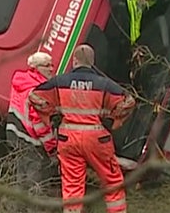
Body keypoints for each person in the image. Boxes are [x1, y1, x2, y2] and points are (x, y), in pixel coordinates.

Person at [29, 44, 136, 213]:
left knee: (72, 187)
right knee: (112, 182)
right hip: (97, 138)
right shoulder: (104, 84)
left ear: (74, 61)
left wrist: (51, 112)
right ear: (92, 62)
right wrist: (114, 117)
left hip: (68, 138)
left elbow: (33, 96)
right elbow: (129, 102)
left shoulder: (59, 81)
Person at [7, 52, 59, 186]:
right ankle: (30, 207)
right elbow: (40, 124)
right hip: (30, 139)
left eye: (52, 65)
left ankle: (15, 206)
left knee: (20, 177)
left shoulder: (22, 80)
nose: (51, 69)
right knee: (34, 182)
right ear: (36, 68)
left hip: (15, 133)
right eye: (47, 65)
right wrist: (52, 150)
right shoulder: (39, 90)